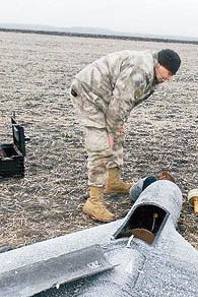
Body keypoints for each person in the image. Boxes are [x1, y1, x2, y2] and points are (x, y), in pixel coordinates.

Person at [69, 48, 182, 222]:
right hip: (89, 95)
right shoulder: (140, 72)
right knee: (101, 145)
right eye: (168, 73)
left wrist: (118, 126)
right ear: (159, 64)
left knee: (117, 135)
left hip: (106, 97)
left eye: (172, 75)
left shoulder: (151, 73)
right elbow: (120, 102)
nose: (169, 78)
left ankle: (112, 182)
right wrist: (112, 129)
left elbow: (126, 103)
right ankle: (94, 201)